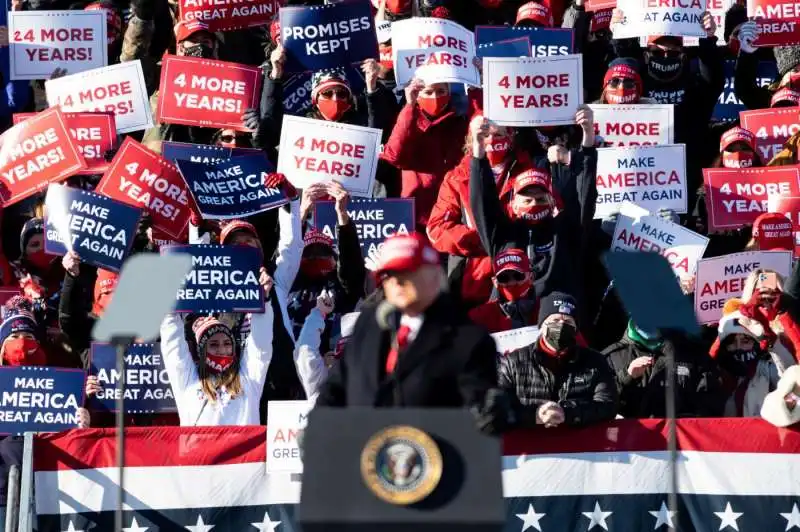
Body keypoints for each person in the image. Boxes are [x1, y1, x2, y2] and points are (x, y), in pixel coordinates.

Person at [314, 233, 513, 433]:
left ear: (435, 277)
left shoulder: (468, 340)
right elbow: (337, 385)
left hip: (431, 457)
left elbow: (479, 410)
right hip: (363, 455)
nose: (397, 282)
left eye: (407, 271)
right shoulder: (368, 324)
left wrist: (488, 414)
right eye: (388, 275)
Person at [159, 268, 275, 426]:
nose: (222, 349)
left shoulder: (249, 379)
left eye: (227, 343)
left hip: (243, 451)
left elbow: (261, 347)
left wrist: (264, 300)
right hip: (201, 451)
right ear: (202, 350)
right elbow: (173, 345)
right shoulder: (188, 380)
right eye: (213, 344)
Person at [498, 292, 617, 427]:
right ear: (542, 326)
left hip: (577, 442)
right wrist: (536, 415)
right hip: (530, 442)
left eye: (568, 321)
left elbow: (607, 405)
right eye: (554, 320)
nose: (561, 325)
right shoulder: (513, 362)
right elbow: (498, 408)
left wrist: (567, 413)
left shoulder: (595, 361)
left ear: (576, 329)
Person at [604, 320, 722, 418]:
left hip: (678, 442)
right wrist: (626, 377)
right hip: (631, 443)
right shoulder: (611, 356)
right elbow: (601, 405)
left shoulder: (693, 354)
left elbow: (711, 403)